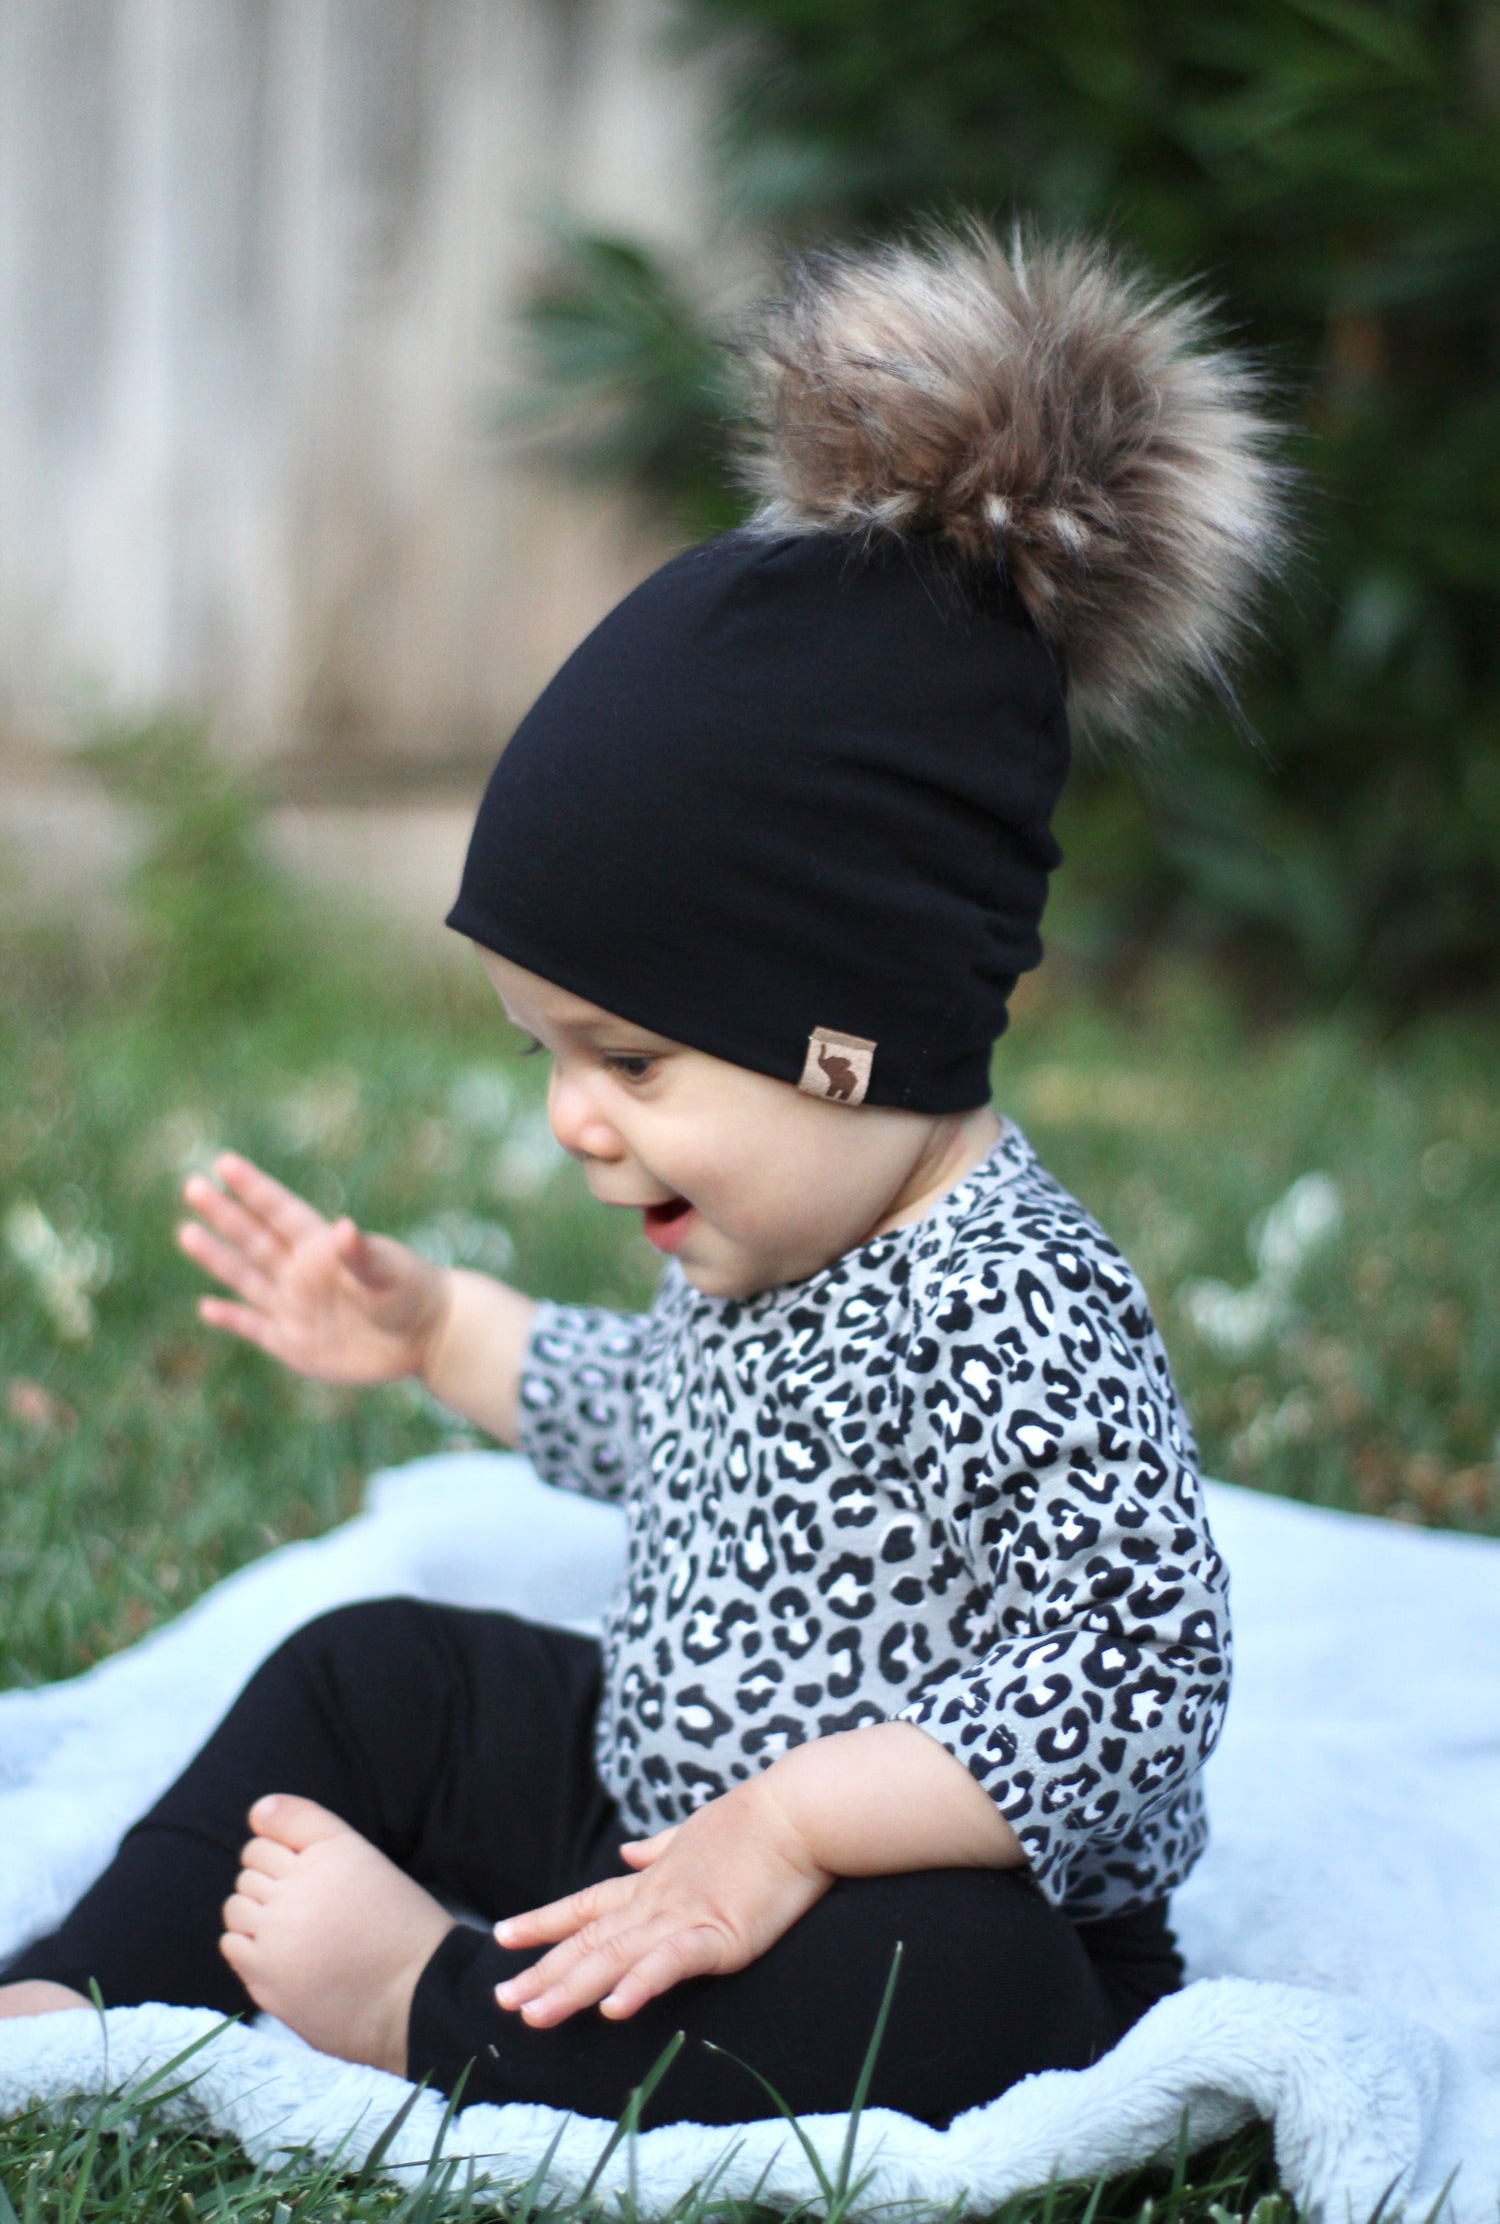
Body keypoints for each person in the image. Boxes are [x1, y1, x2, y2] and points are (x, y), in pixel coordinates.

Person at [0, 226, 1284, 2129]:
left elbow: (1139, 1659)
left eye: (636, 1061)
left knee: (979, 1991)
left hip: (923, 1889)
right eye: (551, 1055)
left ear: (856, 1030)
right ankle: (80, 1991)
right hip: (658, 1796)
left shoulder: (1012, 1290)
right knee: (377, 1669)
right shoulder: (770, 1239)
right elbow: (649, 1410)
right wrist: (434, 1325)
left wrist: (792, 1828)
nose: (575, 1122)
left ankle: (435, 2011)